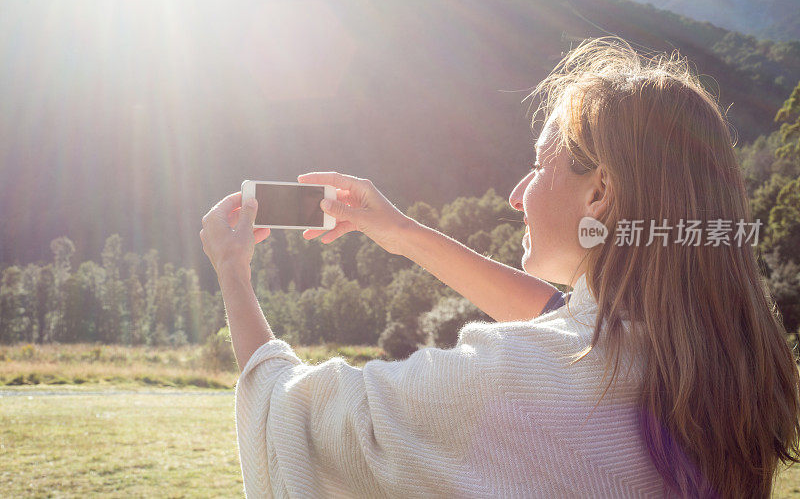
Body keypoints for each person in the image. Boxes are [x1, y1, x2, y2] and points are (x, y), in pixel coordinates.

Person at [199, 35, 800, 498]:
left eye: (540, 166)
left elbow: (296, 417)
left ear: (601, 194)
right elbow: (566, 322)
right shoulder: (721, 365)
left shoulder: (520, 380)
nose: (517, 194)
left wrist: (232, 271)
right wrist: (404, 234)